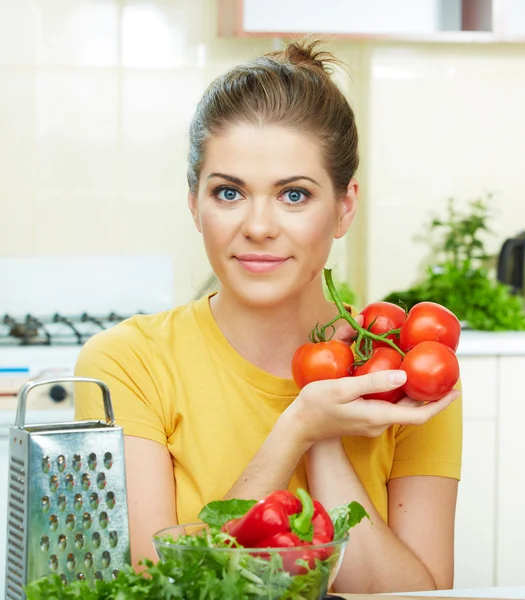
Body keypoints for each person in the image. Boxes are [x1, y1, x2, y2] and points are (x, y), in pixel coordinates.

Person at [74, 39, 462, 595]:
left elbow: (415, 594)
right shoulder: (127, 363)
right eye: (229, 193)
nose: (258, 225)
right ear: (194, 203)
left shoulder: (406, 366)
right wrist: (299, 426)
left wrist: (327, 441)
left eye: (294, 196)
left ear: (345, 206)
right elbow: (164, 589)